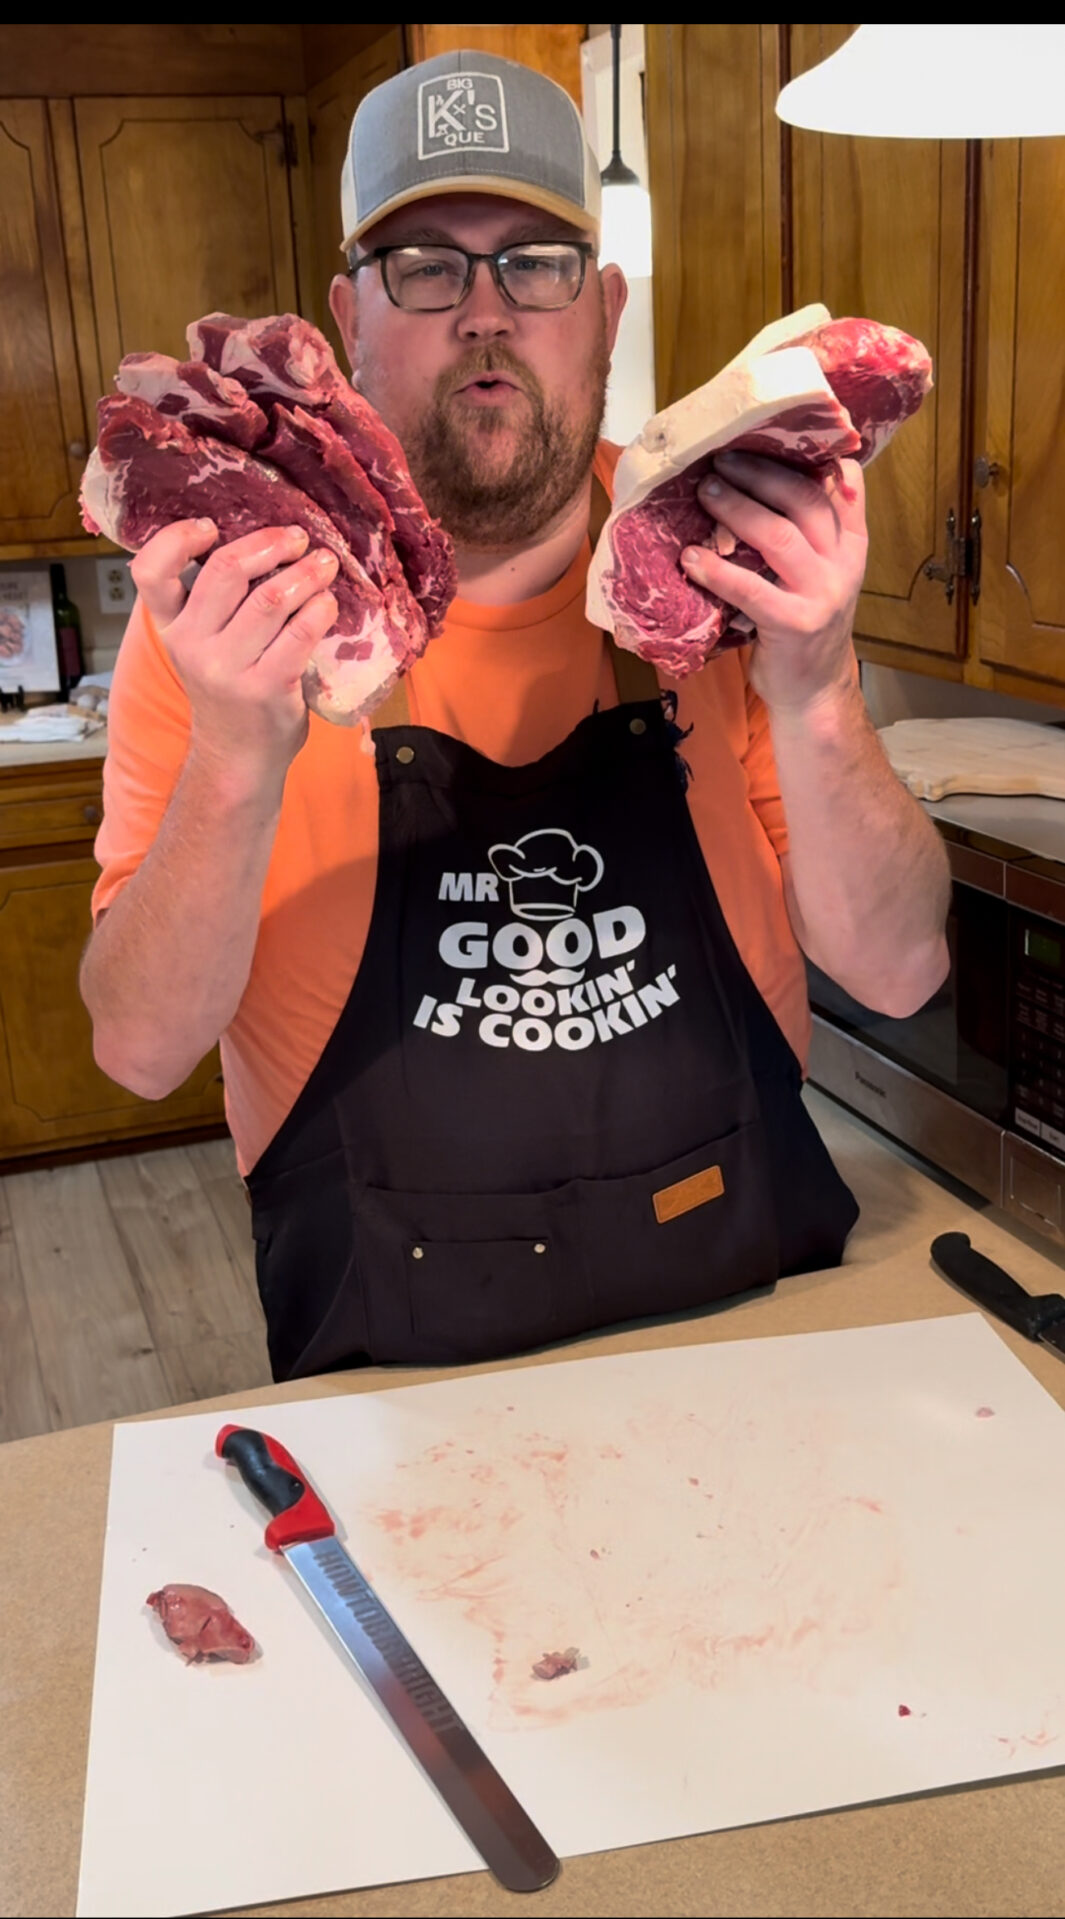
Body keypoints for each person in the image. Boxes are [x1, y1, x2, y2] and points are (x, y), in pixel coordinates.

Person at [80, 50, 950, 1380]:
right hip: (398, 1384)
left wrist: (820, 680)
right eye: (423, 263)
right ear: (345, 317)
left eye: (534, 260)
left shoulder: (724, 564)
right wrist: (236, 758)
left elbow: (894, 971)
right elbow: (138, 1048)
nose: (483, 311)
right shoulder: (228, 615)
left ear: (601, 307)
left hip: (750, 1349)